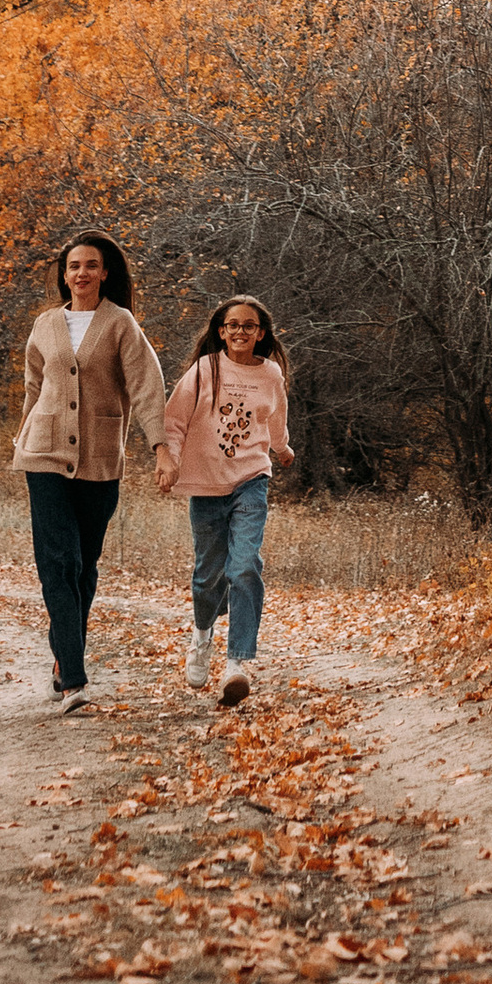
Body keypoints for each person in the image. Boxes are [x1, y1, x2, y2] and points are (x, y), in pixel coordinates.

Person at [12, 229, 166, 712]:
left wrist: (161, 446)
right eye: (74, 266)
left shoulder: (120, 323)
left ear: (104, 273)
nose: (82, 273)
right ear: (65, 275)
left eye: (91, 265)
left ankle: (64, 655)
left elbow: (146, 386)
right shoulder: (44, 324)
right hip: (43, 455)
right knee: (59, 563)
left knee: (84, 567)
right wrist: (22, 436)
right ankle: (74, 681)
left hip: (100, 460)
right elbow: (33, 388)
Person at [154, 289, 293, 709]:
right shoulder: (205, 369)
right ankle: (201, 637)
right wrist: (169, 461)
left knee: (245, 566)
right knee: (208, 576)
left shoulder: (270, 374)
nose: (240, 332)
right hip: (205, 484)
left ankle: (236, 664)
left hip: (251, 478)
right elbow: (174, 421)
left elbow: (276, 418)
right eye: (232, 325)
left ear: (261, 333)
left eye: (249, 326)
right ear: (221, 331)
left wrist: (282, 448)